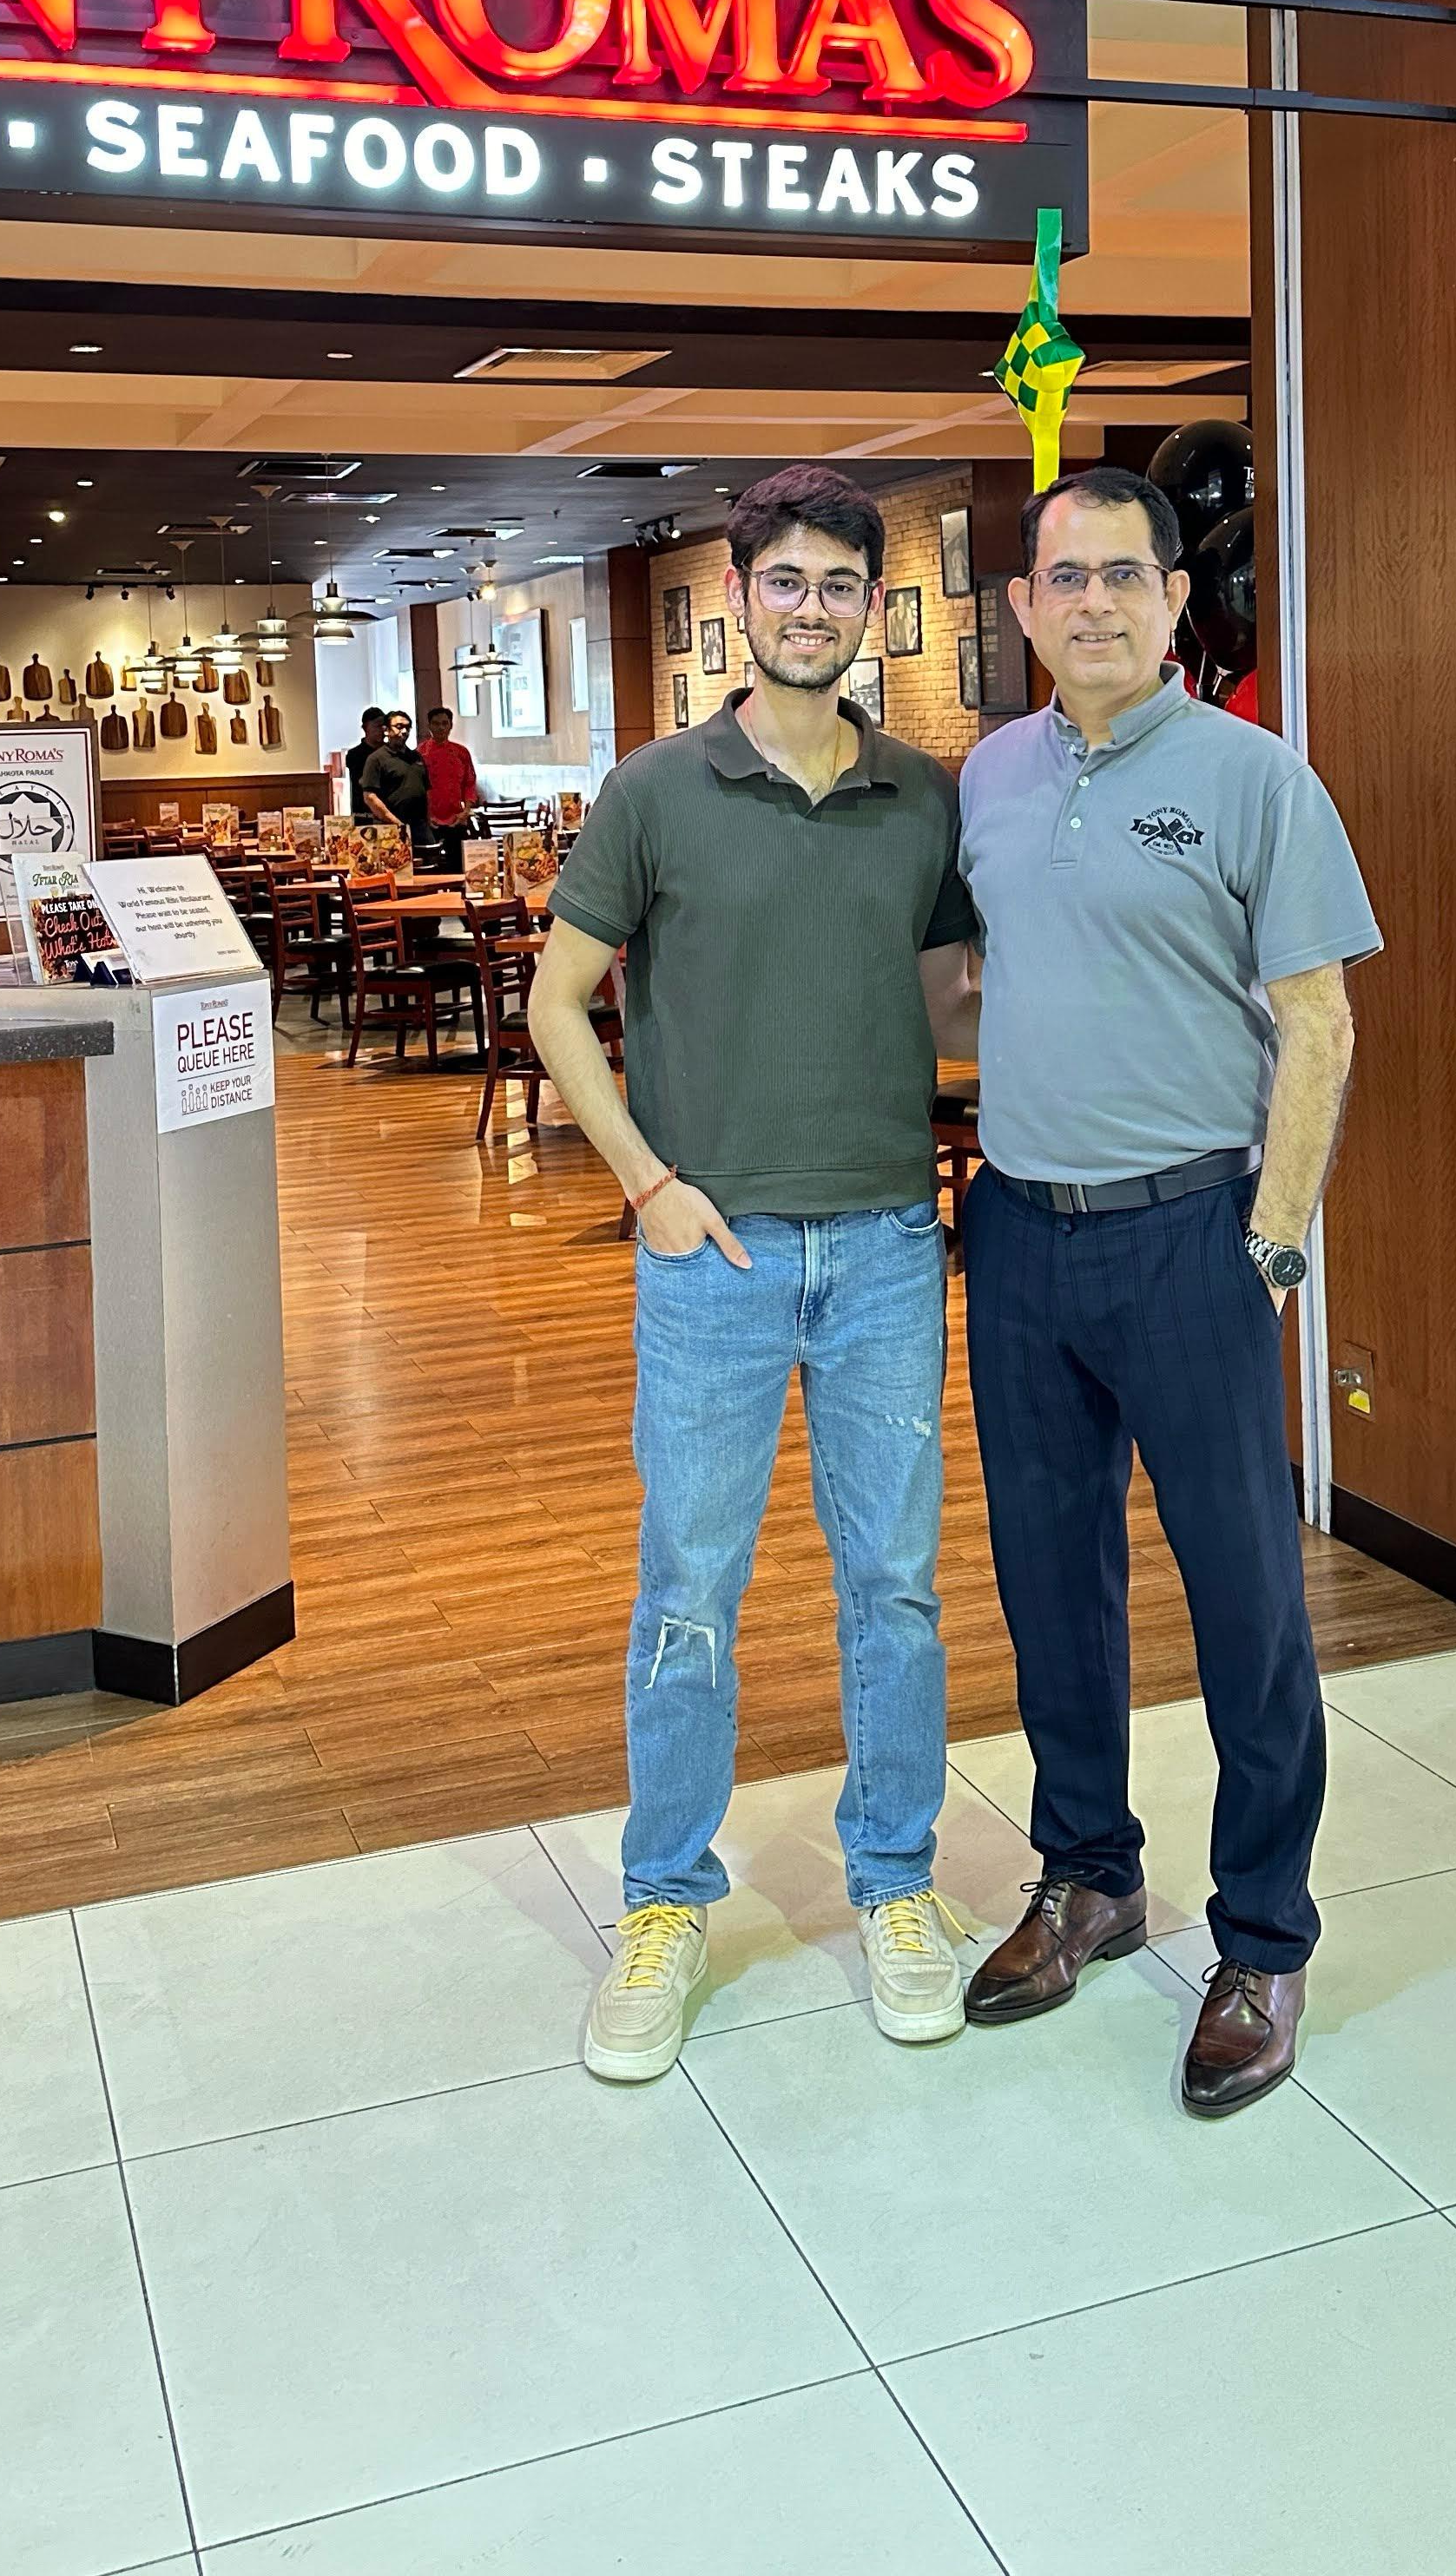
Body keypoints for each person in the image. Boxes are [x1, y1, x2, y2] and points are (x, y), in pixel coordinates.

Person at [931, 465, 1379, 2119]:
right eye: (1065, 578)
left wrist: (1270, 1242)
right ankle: (1089, 1876)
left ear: (1175, 599)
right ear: (1023, 606)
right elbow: (965, 977)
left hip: (1189, 1233)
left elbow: (1318, 1020)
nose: (1095, 604)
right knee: (1048, 1582)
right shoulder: (988, 775)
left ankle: (1260, 1935)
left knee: (1243, 1601)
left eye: (1126, 575)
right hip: (1017, 1235)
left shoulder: (1255, 777)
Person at [529, 464, 978, 2083]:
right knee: (688, 1585)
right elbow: (557, 1001)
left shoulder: (921, 797)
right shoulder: (656, 790)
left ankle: (896, 1879)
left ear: (870, 608)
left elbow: (951, 997)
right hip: (710, 1259)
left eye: (838, 585)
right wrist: (644, 1184)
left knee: (895, 1585)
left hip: (885, 1247)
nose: (811, 609)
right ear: (740, 600)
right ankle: (664, 1900)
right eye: (783, 582)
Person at [418, 704, 483, 875]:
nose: (440, 728)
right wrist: (426, 815)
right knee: (431, 869)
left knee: (458, 867)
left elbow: (470, 783)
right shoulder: (419, 753)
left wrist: (466, 811)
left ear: (451, 725)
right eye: (436, 723)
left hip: (456, 818)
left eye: (444, 723)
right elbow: (417, 788)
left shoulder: (461, 752)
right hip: (430, 820)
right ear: (429, 726)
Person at [358, 708, 432, 851]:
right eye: (399, 727)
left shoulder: (416, 757)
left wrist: (428, 819)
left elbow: (425, 790)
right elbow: (370, 797)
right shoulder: (376, 759)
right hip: (390, 828)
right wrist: (396, 823)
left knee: (430, 861)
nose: (404, 731)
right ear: (386, 730)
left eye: (407, 727)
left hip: (420, 827)